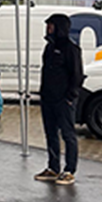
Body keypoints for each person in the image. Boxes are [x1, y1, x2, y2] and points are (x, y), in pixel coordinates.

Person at [34, 14, 83, 186]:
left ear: (59, 27)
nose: (48, 28)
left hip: (63, 100)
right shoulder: (49, 47)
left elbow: (77, 75)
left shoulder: (71, 49)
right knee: (50, 134)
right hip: (48, 98)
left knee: (68, 135)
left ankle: (70, 170)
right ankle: (53, 167)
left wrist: (70, 97)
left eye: (51, 26)